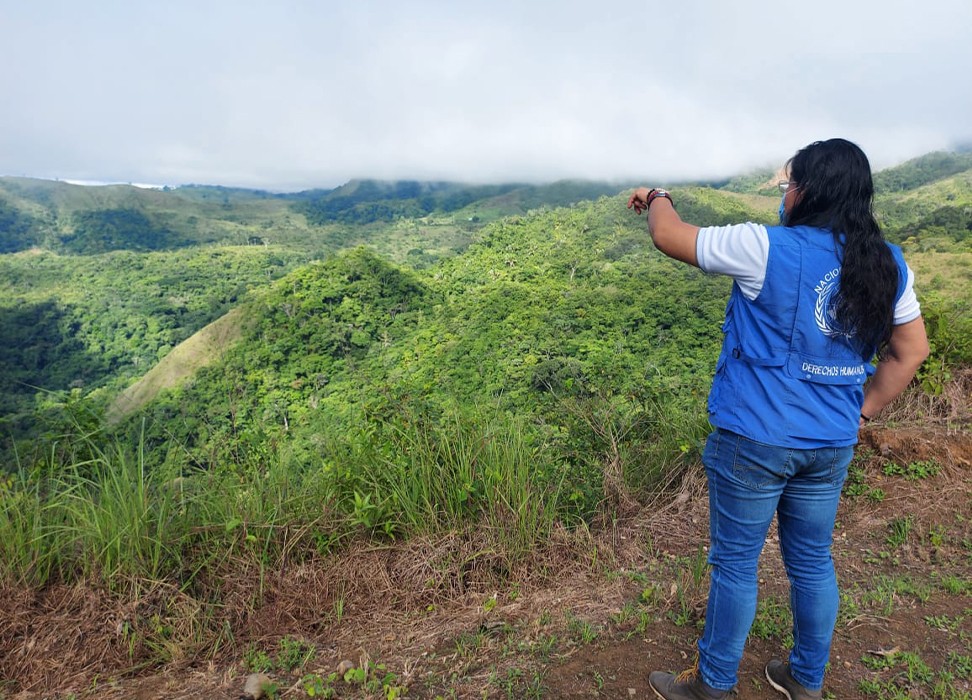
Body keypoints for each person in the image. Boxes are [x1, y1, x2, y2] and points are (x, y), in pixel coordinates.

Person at [626, 138, 930, 700]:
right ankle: (805, 678)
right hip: (831, 442)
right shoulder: (887, 263)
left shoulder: (763, 246)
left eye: (789, 183)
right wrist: (862, 408)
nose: (784, 193)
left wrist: (658, 194)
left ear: (806, 191)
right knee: (813, 561)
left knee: (737, 564)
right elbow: (911, 350)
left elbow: (669, 235)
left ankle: (714, 686)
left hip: (755, 438)